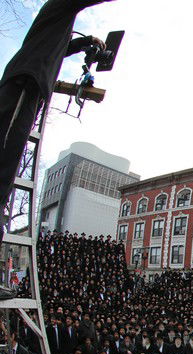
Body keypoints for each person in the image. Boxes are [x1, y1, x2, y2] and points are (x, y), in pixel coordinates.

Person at [0, 0, 112, 269]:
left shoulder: (55, 28)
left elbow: (61, 49)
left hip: (31, 88)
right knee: (3, 165)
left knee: (7, 173)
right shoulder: (59, 6)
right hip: (24, 81)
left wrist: (84, 44)